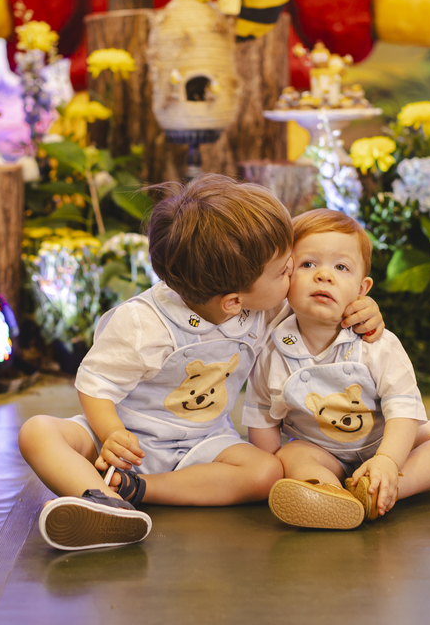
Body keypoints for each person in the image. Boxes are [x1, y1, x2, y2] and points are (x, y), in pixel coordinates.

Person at [19, 175, 385, 550]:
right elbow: (95, 382)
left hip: (204, 442)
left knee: (265, 471)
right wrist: (110, 432)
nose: (294, 271)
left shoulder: (262, 307)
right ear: (233, 302)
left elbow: (319, 307)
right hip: (126, 438)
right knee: (38, 432)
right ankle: (99, 499)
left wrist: (361, 307)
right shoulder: (144, 323)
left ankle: (137, 492)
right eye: (283, 271)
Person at [246, 209, 430, 530]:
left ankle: (380, 490)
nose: (324, 275)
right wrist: (275, 467)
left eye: (341, 267)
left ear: (361, 289)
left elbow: (403, 408)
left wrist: (388, 460)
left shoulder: (377, 343)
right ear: (286, 276)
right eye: (308, 264)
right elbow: (261, 415)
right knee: (289, 456)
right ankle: (326, 491)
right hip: (320, 450)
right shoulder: (273, 348)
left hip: (385, 441)